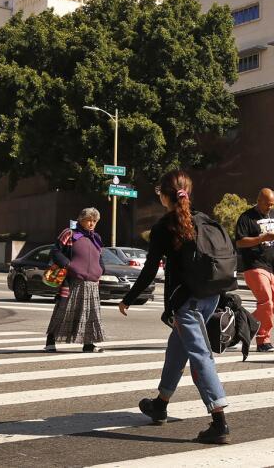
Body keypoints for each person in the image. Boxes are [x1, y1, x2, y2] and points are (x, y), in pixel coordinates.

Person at [118, 169, 230, 445]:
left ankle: (219, 422)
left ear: (165, 197)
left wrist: (128, 299)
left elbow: (148, 271)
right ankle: (161, 403)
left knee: (200, 356)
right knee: (176, 350)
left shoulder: (163, 228)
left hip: (186, 303)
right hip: (210, 297)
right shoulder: (204, 219)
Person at [235, 187, 274, 352]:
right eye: (267, 204)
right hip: (254, 266)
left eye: (272, 204)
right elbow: (240, 242)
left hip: (272, 266)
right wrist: (261, 238)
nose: (270, 207)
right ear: (259, 201)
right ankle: (263, 340)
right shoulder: (246, 218)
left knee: (273, 304)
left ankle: (241, 327)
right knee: (266, 302)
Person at [44, 208, 107, 353]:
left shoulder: (96, 237)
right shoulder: (69, 233)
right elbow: (55, 251)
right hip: (72, 282)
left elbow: (100, 257)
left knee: (90, 314)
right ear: (81, 220)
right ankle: (50, 341)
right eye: (89, 220)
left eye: (94, 221)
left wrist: (101, 270)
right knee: (63, 311)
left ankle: (89, 344)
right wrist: (68, 265)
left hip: (92, 283)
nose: (92, 224)